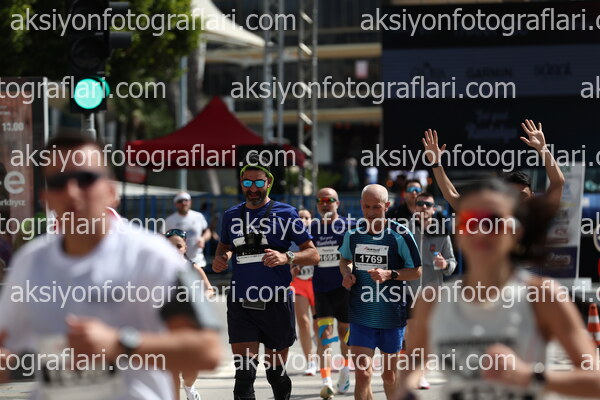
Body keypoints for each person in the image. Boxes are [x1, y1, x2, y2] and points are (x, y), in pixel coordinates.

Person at [0, 134, 221, 399]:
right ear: (46, 198)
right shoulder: (30, 262)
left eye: (85, 179)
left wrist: (120, 343)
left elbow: (207, 351)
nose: (72, 191)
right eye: (58, 182)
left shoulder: (153, 256)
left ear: (111, 192)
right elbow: (6, 343)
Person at [400, 179, 600, 399]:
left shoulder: (543, 296)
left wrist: (529, 377)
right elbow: (412, 367)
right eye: (469, 222)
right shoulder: (432, 300)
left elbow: (594, 381)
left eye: (494, 222)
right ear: (458, 233)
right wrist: (407, 390)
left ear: (516, 232)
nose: (481, 231)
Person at [212, 154, 320, 400]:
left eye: (259, 182)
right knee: (244, 377)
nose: (253, 188)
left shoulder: (286, 213)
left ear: (269, 182)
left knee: (275, 375)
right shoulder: (231, 215)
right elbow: (224, 247)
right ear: (241, 183)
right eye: (247, 182)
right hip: (241, 301)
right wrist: (222, 258)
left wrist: (286, 257)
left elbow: (313, 254)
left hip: (276, 301)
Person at [339, 184, 422, 400]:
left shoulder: (400, 235)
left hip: (391, 316)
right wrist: (347, 273)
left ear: (387, 206)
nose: (371, 212)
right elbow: (345, 260)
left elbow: (416, 271)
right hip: (361, 314)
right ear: (361, 205)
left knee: (389, 377)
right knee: (363, 374)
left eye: (376, 207)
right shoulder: (353, 234)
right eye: (366, 207)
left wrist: (390, 274)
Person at [422, 120, 565, 210]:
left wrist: (543, 149)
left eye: (522, 196)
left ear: (532, 196)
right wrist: (436, 163)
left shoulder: (537, 219)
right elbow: (452, 196)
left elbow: (558, 183)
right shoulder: (493, 220)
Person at [405, 191, 456, 390]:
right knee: (411, 333)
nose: (424, 208)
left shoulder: (442, 232)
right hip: (408, 290)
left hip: (432, 292)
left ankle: (422, 373)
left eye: (428, 205)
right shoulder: (405, 231)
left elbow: (452, 262)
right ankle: (412, 371)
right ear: (414, 207)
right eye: (420, 204)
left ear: (434, 209)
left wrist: (445, 264)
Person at [310, 188, 355, 399]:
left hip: (344, 289)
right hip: (321, 289)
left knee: (345, 333)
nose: (325, 203)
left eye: (329, 200)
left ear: (337, 203)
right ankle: (326, 381)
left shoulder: (349, 226)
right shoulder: (313, 228)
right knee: (325, 334)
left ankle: (345, 370)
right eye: (320, 200)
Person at [165, 228, 215, 400]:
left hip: (191, 323)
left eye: (178, 246)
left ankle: (189, 387)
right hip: (168, 324)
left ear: (185, 247)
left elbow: (210, 289)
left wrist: (201, 298)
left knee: (191, 369)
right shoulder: (158, 269)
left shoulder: (193, 268)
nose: (174, 250)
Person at [289, 209, 318, 377]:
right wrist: (291, 269)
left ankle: (320, 350)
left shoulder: (318, 236)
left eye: (307, 217)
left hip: (316, 283)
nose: (303, 220)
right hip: (299, 283)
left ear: (311, 220)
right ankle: (310, 361)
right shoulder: (290, 238)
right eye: (300, 217)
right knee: (303, 322)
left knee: (318, 322)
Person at [165, 192, 211, 267]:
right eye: (180, 201)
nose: (183, 203)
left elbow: (207, 232)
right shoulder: (170, 220)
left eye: (186, 200)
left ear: (190, 202)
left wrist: (203, 239)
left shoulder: (198, 216)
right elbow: (164, 237)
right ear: (175, 204)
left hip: (198, 261)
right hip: (178, 263)